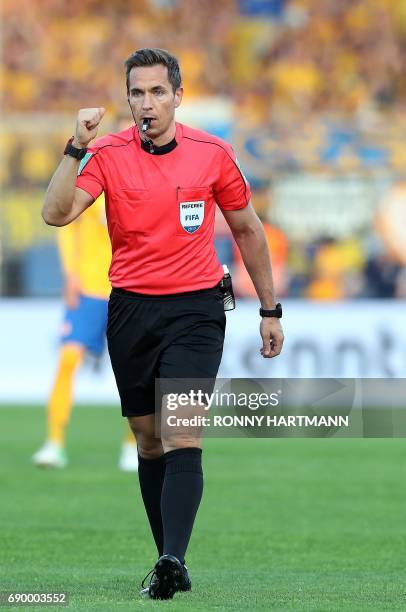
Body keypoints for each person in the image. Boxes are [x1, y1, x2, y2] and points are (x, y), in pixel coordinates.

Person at [41, 48, 284, 600]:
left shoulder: (213, 154)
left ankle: (174, 556)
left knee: (181, 432)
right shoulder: (104, 152)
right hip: (130, 309)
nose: (146, 103)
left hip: (197, 310)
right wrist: (74, 146)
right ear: (126, 98)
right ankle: (166, 558)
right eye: (137, 92)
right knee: (149, 442)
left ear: (178, 95)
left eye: (156, 92)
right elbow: (55, 214)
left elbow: (248, 229)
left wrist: (269, 309)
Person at [32, 195, 139, 472]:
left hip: (129, 289)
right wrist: (70, 273)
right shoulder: (89, 176)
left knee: (136, 370)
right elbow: (67, 225)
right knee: (68, 360)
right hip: (89, 289)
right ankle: (54, 443)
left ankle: (133, 444)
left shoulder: (137, 174)